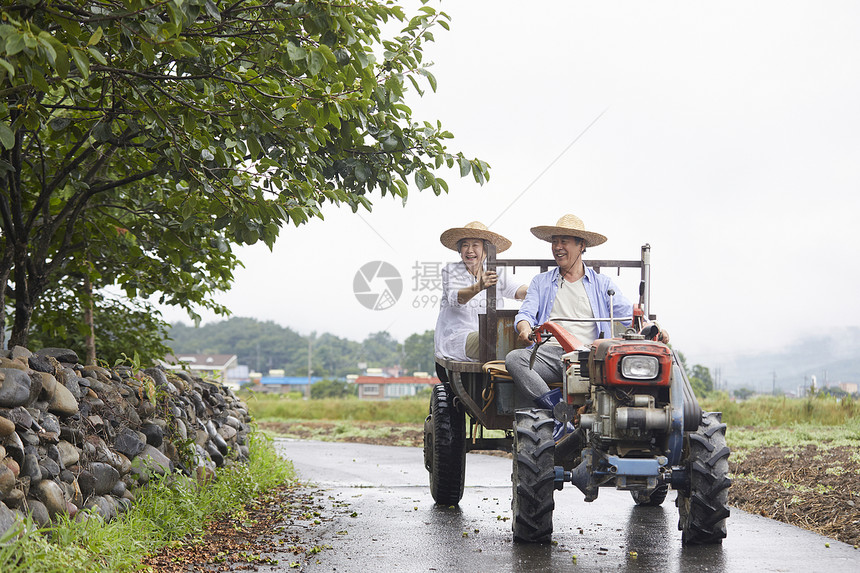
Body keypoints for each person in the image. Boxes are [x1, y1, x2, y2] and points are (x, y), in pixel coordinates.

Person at [504, 214, 668, 438]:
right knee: (515, 359)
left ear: (581, 246)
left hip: (591, 356)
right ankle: (561, 413)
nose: (557, 247)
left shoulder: (602, 284)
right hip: (551, 354)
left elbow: (631, 316)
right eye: (555, 242)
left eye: (564, 241)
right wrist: (524, 328)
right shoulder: (541, 282)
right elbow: (526, 314)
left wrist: (653, 328)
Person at [434, 221, 528, 362]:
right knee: (499, 340)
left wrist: (539, 291)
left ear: (485, 251)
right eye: (465, 245)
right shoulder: (451, 271)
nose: (470, 250)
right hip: (459, 338)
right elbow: (456, 298)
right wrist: (480, 285)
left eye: (475, 245)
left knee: (527, 338)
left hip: (491, 334)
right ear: (460, 250)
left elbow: (518, 290)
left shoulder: (496, 271)